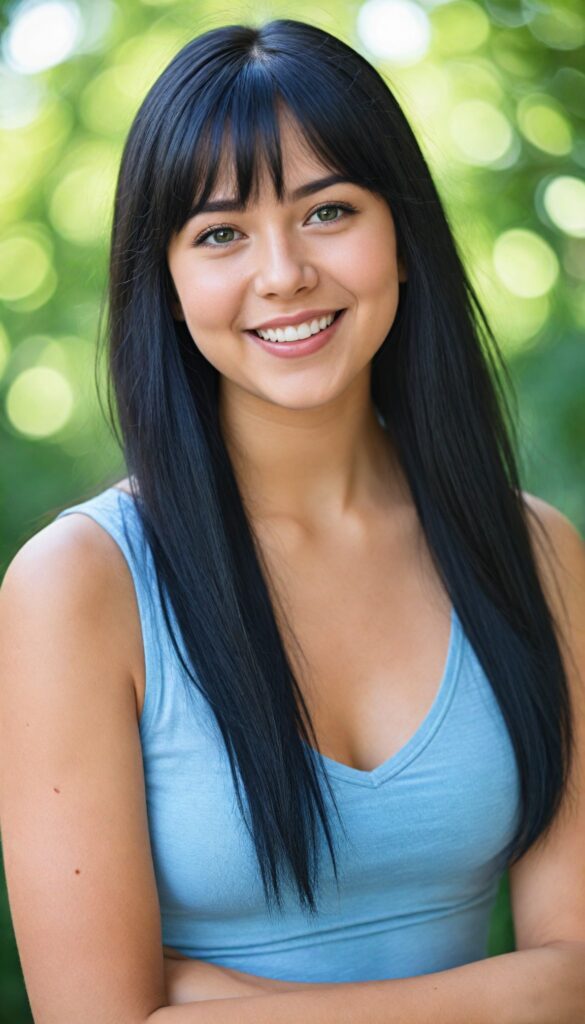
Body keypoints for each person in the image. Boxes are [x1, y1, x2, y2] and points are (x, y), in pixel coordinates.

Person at [1, 17, 584, 1024]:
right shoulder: (78, 585)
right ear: (169, 285)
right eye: (220, 232)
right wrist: (502, 1000)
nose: (282, 273)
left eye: (328, 211)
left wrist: (196, 1002)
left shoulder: (534, 555)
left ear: (402, 237)